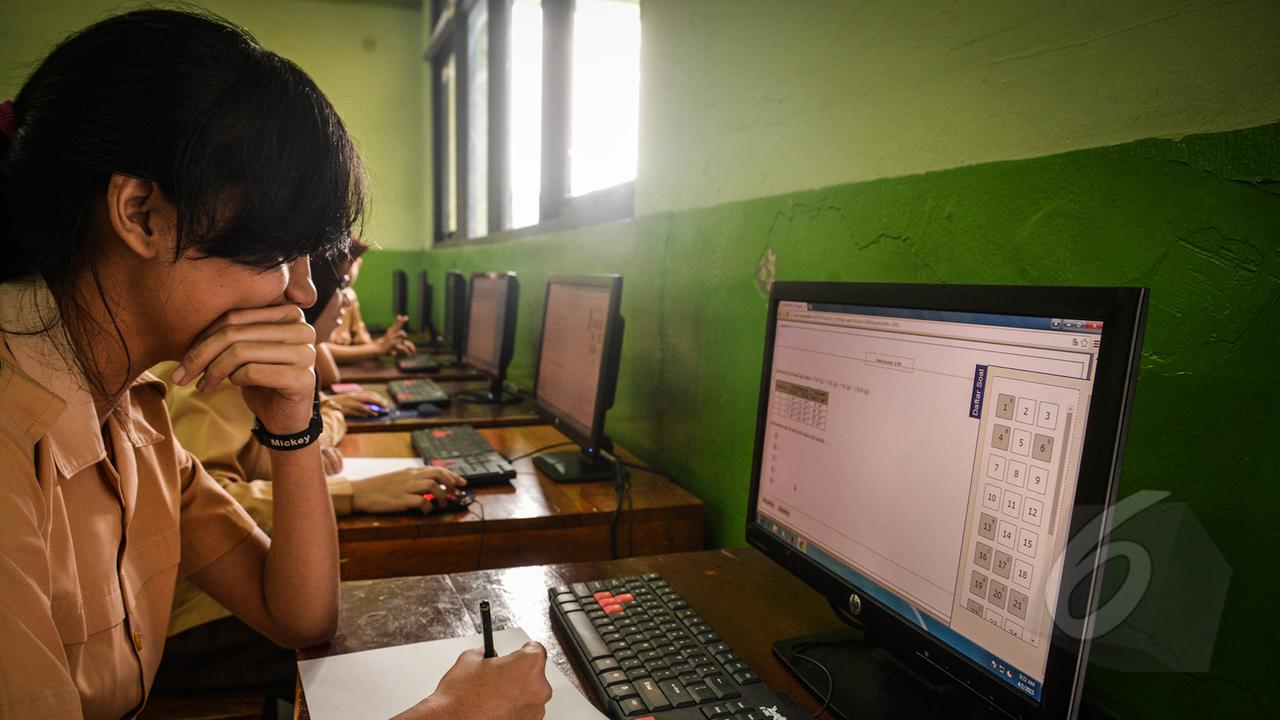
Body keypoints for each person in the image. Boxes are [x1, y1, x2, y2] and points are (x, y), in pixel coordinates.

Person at [0, 9, 551, 720]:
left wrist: (291, 425)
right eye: (273, 250)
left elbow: (299, 617)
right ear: (141, 214)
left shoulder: (132, 411)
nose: (302, 290)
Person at [325, 245, 417, 363]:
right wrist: (378, 348)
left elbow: (362, 345)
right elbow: (318, 350)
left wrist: (388, 343)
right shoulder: (315, 298)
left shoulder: (349, 296)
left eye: (351, 261)